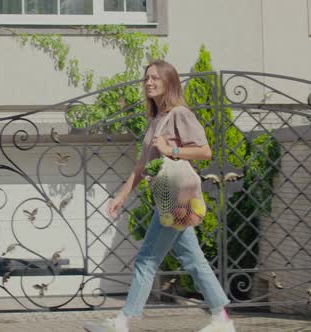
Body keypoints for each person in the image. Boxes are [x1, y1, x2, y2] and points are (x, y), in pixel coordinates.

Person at [84, 60, 235, 332]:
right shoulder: (156, 119)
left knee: (146, 258)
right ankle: (221, 318)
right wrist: (121, 195)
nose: (149, 82)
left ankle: (123, 321)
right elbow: (141, 167)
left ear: (169, 82)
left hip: (177, 197)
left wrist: (171, 150)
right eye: (146, 78)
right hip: (167, 197)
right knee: (193, 259)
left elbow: (204, 151)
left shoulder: (179, 114)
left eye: (155, 78)